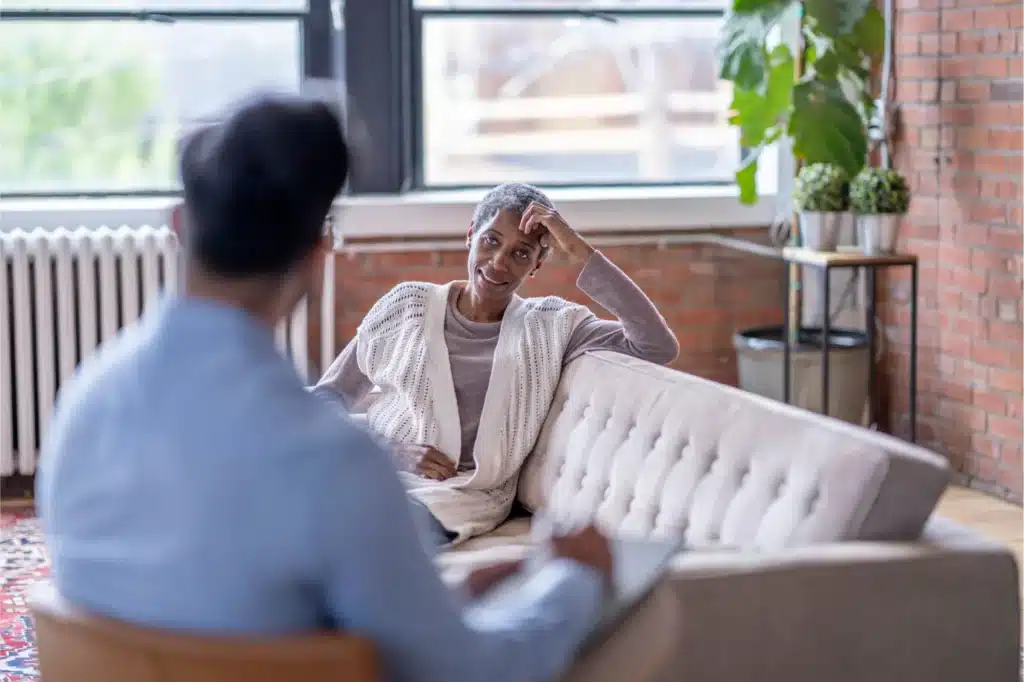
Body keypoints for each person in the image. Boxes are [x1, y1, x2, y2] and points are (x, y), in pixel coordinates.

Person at [36, 93, 620, 682]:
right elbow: (469, 671)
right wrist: (577, 579)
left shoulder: (84, 403)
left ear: (180, 226)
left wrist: (452, 594)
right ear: (317, 254)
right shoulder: (338, 462)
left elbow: (215, 604)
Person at [315, 183, 679, 545]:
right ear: (471, 235)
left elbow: (656, 345)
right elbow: (325, 400)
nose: (500, 262)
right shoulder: (407, 305)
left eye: (521, 253)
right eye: (491, 241)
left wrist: (579, 250)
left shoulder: (553, 326)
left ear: (537, 264)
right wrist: (391, 452)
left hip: (460, 499)